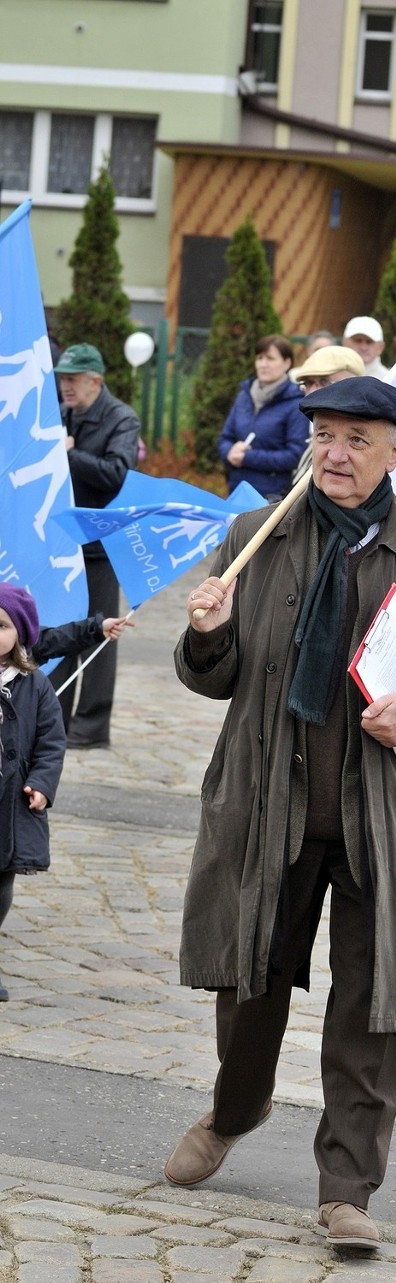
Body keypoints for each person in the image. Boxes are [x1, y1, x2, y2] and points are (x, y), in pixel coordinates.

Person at [164, 377, 396, 1248]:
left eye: (357, 439)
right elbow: (214, 675)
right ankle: (233, 1109)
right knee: (250, 984)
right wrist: (207, 632)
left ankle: (347, 1186)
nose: (335, 454)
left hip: (383, 821)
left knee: (370, 1004)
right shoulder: (256, 538)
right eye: (323, 435)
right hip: (267, 808)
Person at [50, 343, 140, 749]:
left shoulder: (121, 418)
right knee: (61, 629)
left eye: (72, 379)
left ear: (95, 381)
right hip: (63, 541)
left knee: (101, 634)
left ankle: (90, 726)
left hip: (103, 544)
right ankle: (55, 717)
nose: (65, 386)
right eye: (62, 379)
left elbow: (118, 475)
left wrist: (71, 455)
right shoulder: (61, 412)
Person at [0, 585, 66, 1003]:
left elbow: (51, 742)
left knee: (0, 885)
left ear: (20, 633)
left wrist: (41, 785)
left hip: (8, 806)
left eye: (1, 625)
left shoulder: (35, 685)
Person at [217, 336, 309, 502]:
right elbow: (225, 437)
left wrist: (247, 458)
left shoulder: (295, 403)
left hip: (271, 496)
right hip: (237, 489)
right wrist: (229, 452)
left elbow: (294, 455)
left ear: (287, 363)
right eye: (259, 358)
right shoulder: (244, 396)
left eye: (270, 358)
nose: (263, 364)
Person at [290, 346, 365, 488]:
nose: (312, 391)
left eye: (324, 382)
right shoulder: (311, 430)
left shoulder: (367, 437)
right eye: (308, 383)